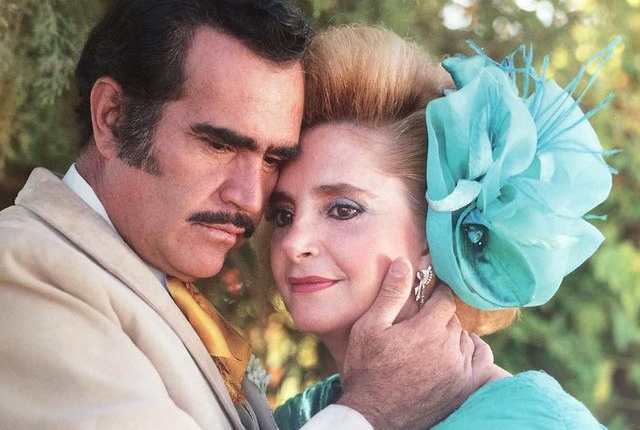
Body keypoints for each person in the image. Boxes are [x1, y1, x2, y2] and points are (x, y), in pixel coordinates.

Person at [0, 2, 495, 430]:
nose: (251, 197)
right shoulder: (20, 273)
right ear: (112, 118)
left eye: (272, 159)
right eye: (218, 144)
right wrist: (372, 410)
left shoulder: (148, 283)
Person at [269, 25, 613, 429]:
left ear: (435, 235)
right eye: (282, 215)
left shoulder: (535, 423)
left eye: (343, 210)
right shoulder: (294, 418)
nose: (294, 242)